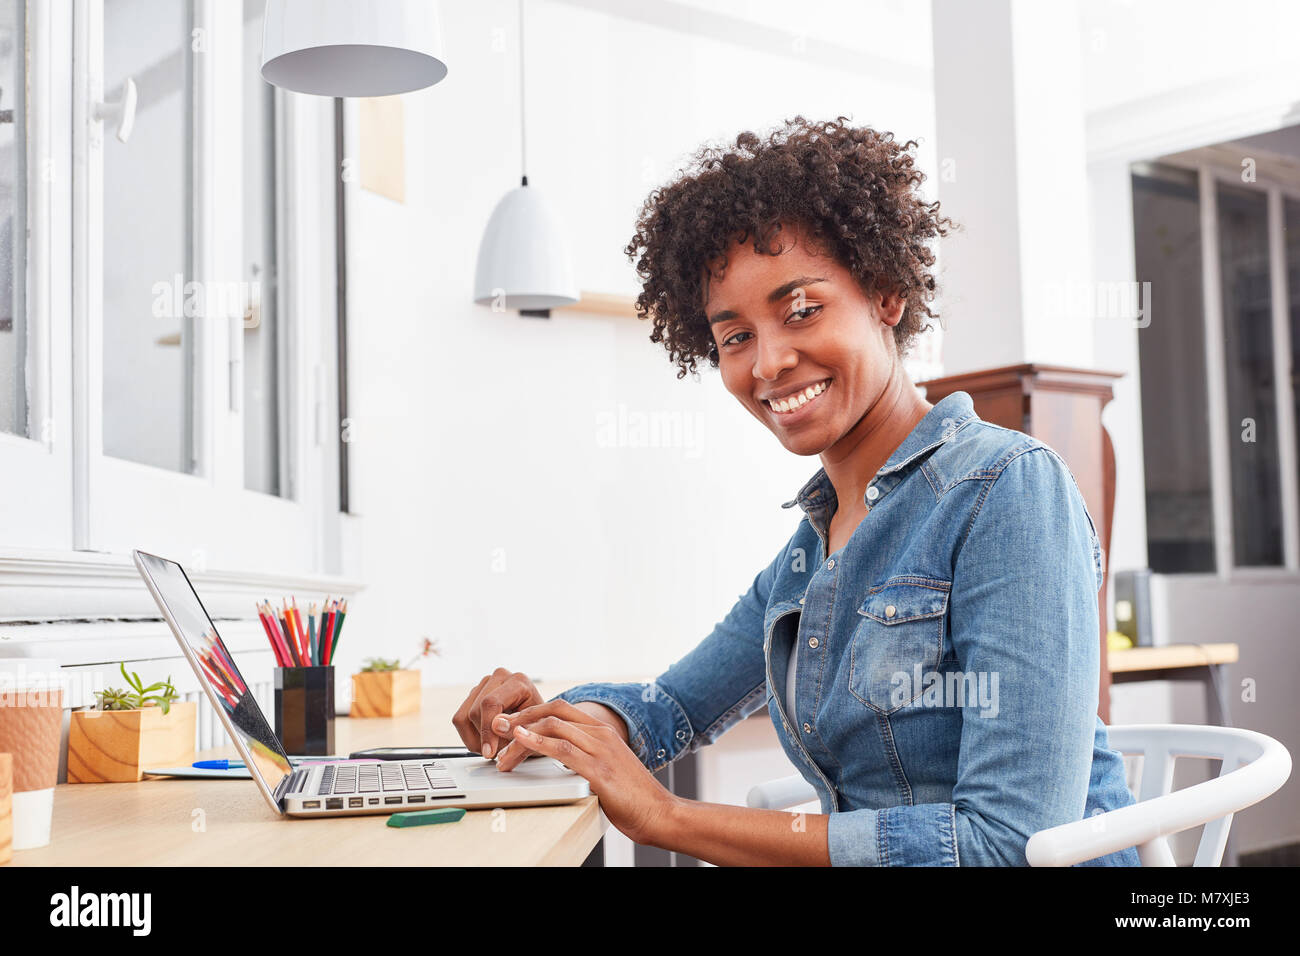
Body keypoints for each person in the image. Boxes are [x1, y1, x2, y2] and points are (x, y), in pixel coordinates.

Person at [452, 116, 1140, 866]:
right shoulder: (813, 548)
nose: (769, 361)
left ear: (886, 295)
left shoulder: (1007, 491)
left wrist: (668, 818)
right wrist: (547, 721)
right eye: (735, 336)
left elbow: (1009, 843)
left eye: (801, 310)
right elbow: (671, 709)